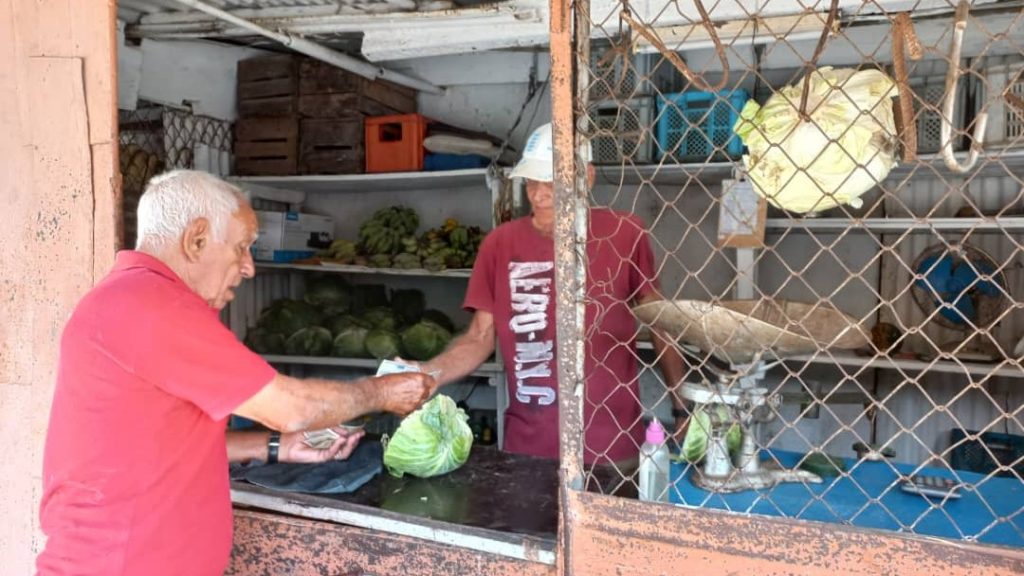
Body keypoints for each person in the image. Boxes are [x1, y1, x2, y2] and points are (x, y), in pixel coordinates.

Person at [36, 170, 434, 576]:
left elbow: (169, 446)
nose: (249, 269)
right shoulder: (154, 307)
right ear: (197, 240)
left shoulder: (135, 299)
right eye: (242, 248)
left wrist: (278, 446)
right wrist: (381, 392)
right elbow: (292, 407)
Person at [415, 123, 686, 473]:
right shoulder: (500, 244)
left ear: (585, 179)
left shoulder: (625, 232)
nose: (538, 195)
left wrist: (680, 407)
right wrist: (427, 374)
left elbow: (660, 322)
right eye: (531, 182)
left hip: (612, 445)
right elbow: (479, 338)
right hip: (529, 448)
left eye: (550, 182)